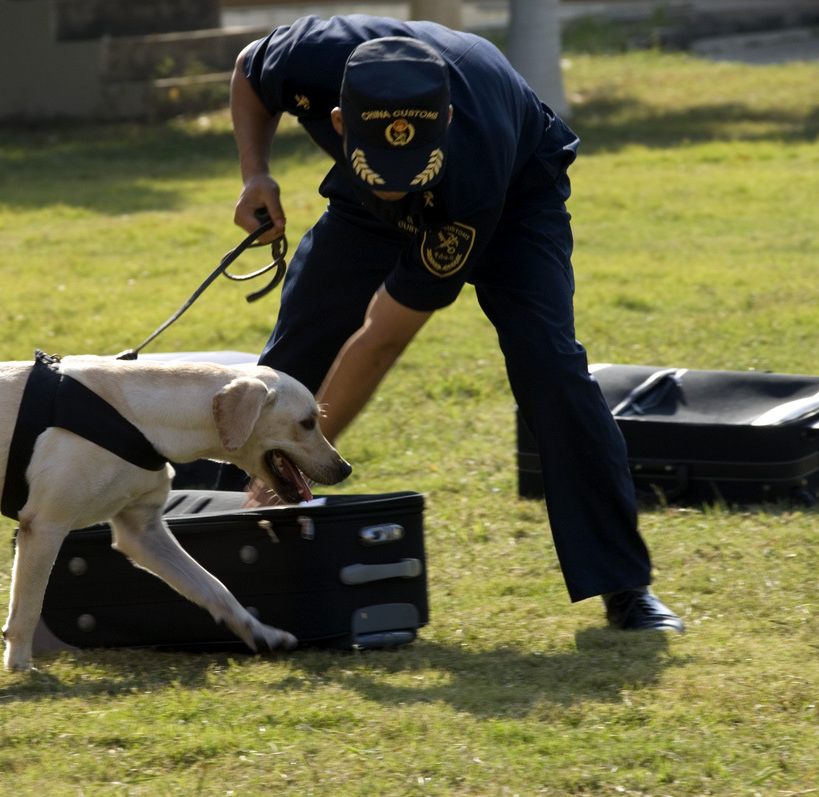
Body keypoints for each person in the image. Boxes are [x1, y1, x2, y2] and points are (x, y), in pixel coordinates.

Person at [229, 14, 683, 632]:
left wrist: (303, 458)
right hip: (366, 207)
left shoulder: (471, 171)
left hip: (514, 195)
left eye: (405, 170)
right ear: (341, 121)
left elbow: (382, 338)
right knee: (294, 356)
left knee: (547, 364)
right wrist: (256, 171)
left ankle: (623, 585)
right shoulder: (314, 57)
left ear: (442, 123)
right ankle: (212, 530)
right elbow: (250, 72)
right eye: (379, 169)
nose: (396, 191)